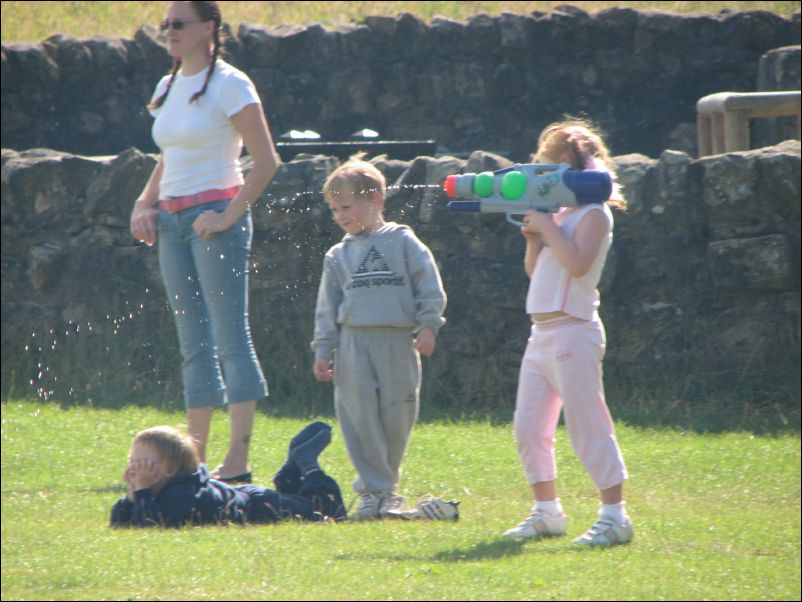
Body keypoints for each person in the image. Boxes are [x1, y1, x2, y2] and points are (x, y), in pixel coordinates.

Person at [128, 1, 280, 484]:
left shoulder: (232, 84)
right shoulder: (167, 85)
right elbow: (171, 155)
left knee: (231, 338)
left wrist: (227, 216)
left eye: (178, 24)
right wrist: (144, 203)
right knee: (193, 344)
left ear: (208, 28)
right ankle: (190, 465)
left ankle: (237, 463)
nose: (168, 31)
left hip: (215, 218)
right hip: (172, 222)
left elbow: (266, 161)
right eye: (165, 25)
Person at [502, 119, 633, 547]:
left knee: (587, 424)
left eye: (542, 164)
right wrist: (534, 238)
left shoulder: (595, 213)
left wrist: (548, 227)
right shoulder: (560, 213)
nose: (536, 172)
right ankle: (547, 513)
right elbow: (536, 272)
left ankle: (614, 517)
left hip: (573, 333)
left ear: (561, 163)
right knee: (528, 427)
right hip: (541, 335)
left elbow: (578, 265)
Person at [311, 154, 447, 521]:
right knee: (359, 418)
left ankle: (385, 487)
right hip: (353, 345)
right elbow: (327, 308)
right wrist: (323, 349)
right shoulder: (337, 255)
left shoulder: (403, 241)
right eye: (334, 209)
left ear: (375, 199)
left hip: (398, 343)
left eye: (346, 207)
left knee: (397, 416)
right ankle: (374, 493)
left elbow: (428, 284)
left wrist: (429, 325)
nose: (339, 216)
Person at [111, 421, 346, 527]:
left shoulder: (182, 493)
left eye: (142, 463)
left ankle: (306, 463)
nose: (134, 469)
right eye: (132, 462)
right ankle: (292, 469)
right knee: (296, 500)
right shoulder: (158, 489)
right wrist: (132, 497)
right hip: (244, 495)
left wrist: (142, 491)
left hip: (259, 506)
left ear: (170, 470)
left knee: (327, 512)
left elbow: (154, 524)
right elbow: (120, 523)